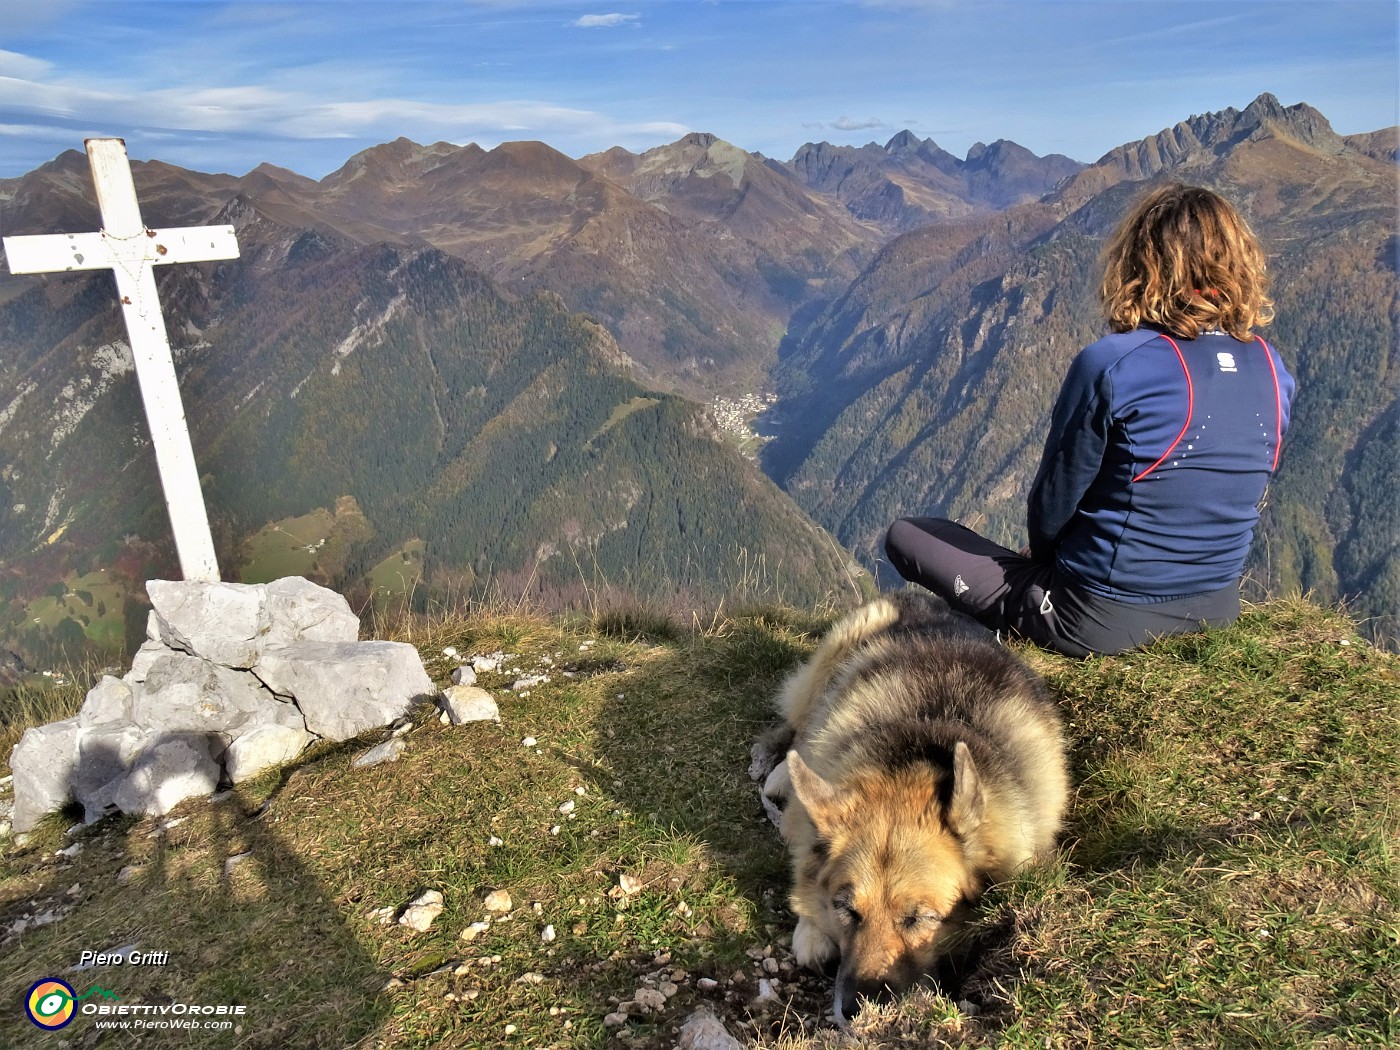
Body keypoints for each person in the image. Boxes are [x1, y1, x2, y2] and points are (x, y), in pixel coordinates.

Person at [884, 183, 1295, 657]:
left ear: (1142, 264)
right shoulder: (1272, 369)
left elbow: (1053, 506)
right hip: (1218, 608)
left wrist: (1041, 557)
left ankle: (989, 637)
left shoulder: (1115, 363)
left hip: (1099, 620)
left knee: (908, 535)